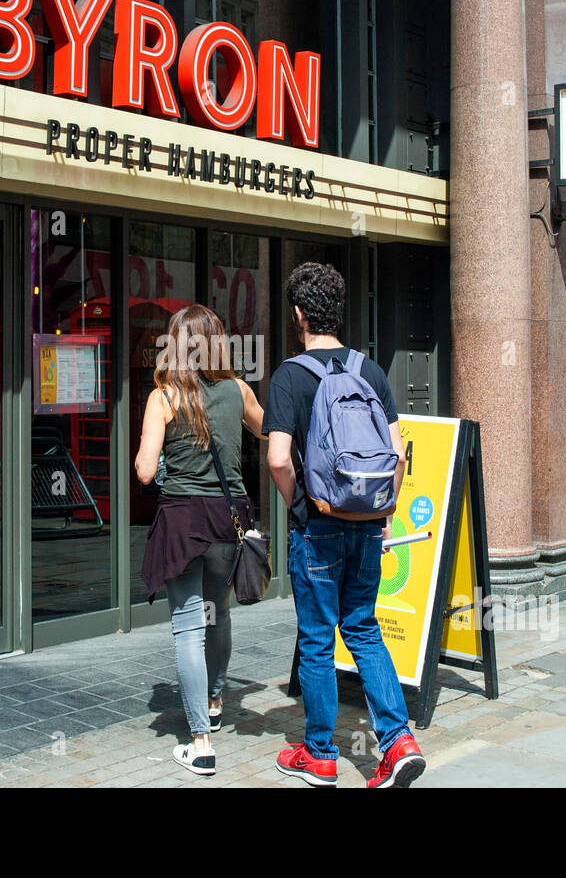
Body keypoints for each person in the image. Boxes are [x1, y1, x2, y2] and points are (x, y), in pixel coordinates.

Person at [262, 261, 426, 788]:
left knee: (316, 637)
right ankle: (398, 740)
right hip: (368, 521)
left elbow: (278, 459)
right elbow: (399, 453)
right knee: (362, 627)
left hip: (320, 526)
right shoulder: (369, 371)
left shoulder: (290, 375)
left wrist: (300, 505)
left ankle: (320, 754)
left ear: (299, 314)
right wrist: (385, 512)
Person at [135, 304, 265, 776]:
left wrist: (161, 458)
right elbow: (270, 433)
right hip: (227, 520)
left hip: (182, 522)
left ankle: (199, 741)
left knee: (188, 627)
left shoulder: (163, 396)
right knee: (219, 612)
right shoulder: (238, 390)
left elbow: (147, 471)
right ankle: (214, 698)